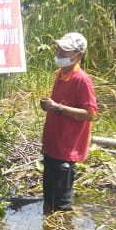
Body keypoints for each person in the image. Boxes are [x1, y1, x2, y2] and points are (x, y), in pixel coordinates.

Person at [39, 32, 97, 214]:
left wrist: (57, 108)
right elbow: (59, 108)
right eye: (58, 49)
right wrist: (50, 107)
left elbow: (90, 114)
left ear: (78, 56)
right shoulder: (61, 75)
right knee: (49, 199)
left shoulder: (81, 79)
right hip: (53, 146)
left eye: (65, 51)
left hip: (66, 149)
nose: (59, 53)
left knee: (62, 207)